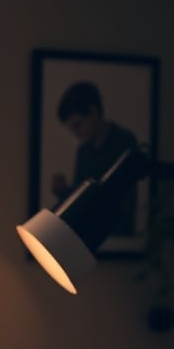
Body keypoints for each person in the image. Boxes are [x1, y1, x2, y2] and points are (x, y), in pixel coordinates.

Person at [50, 80, 139, 235]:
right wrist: (64, 192)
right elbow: (82, 194)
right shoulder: (83, 151)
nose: (75, 133)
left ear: (93, 112)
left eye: (77, 124)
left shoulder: (124, 141)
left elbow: (121, 199)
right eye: (71, 127)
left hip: (116, 233)